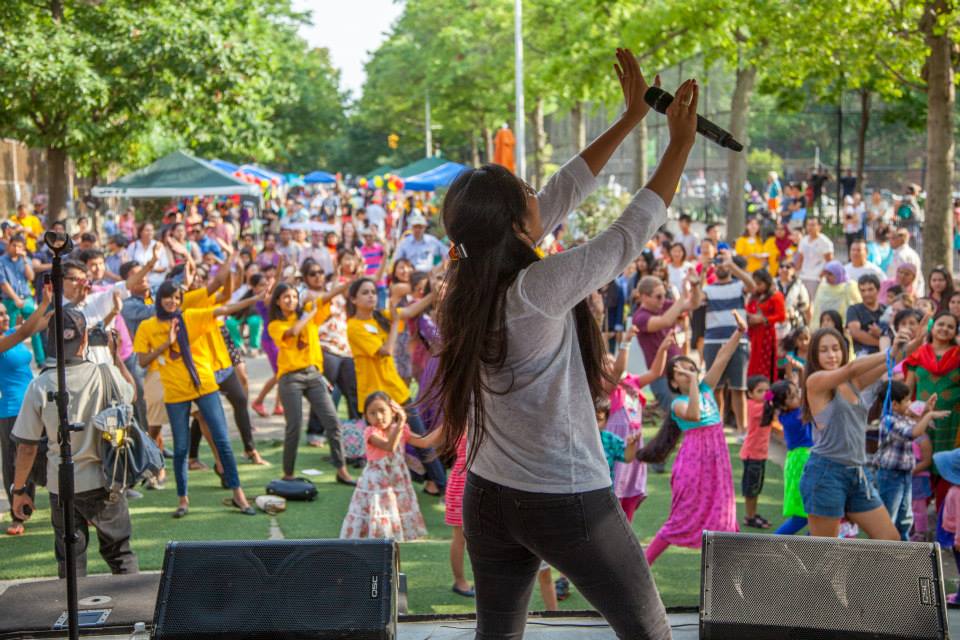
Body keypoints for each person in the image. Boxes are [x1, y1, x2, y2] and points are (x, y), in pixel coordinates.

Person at [428, 53, 693, 639]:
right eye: (526, 191)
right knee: (651, 634)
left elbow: (563, 190)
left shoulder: (471, 280)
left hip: (486, 494)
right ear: (517, 226)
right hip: (564, 499)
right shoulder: (535, 288)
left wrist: (630, 118)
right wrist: (679, 144)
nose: (538, 194)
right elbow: (627, 235)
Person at [11, 309, 139, 577]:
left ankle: (73, 618)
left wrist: (19, 489)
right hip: (106, 479)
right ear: (84, 342)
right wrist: (116, 357)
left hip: (63, 484)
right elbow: (132, 394)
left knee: (71, 562)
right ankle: (135, 617)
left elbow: (27, 446)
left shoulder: (40, 384)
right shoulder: (106, 374)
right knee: (120, 554)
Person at [133, 281, 258, 518]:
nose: (173, 302)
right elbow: (141, 361)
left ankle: (238, 494)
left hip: (205, 386)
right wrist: (166, 344)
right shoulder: (148, 326)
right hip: (176, 392)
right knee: (181, 448)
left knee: (222, 441)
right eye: (168, 297)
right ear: (159, 299)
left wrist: (255, 299)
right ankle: (183, 500)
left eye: (178, 298)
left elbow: (224, 310)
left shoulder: (190, 317)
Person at [798, 320, 926, 539]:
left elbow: (893, 360)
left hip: (857, 472)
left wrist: (911, 341)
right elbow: (852, 367)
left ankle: (862, 575)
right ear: (814, 356)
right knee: (824, 553)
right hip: (826, 473)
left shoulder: (853, 383)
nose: (831, 355)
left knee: (890, 539)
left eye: (836, 348)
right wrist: (888, 350)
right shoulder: (815, 381)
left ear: (843, 350)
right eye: (824, 350)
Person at [642, 311, 746, 564]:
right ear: (674, 383)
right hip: (694, 468)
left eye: (690, 368)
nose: (688, 373)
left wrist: (739, 332)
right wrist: (693, 383)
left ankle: (727, 582)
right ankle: (642, 569)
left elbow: (722, 358)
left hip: (717, 466)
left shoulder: (705, 389)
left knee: (725, 521)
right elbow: (695, 414)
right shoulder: (678, 403)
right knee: (680, 521)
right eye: (681, 373)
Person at [346, 277, 445, 496]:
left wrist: (433, 293)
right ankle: (384, 492)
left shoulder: (380, 316)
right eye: (365, 292)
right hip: (375, 400)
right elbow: (386, 350)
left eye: (373, 291)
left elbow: (409, 313)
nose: (371, 295)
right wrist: (393, 324)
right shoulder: (354, 327)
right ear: (353, 299)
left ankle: (441, 485)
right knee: (381, 450)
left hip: (397, 391)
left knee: (421, 440)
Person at [267, 282, 356, 485]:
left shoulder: (309, 312)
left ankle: (341, 470)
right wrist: (308, 315)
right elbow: (294, 332)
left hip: (313, 375)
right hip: (291, 379)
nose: (291, 301)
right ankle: (288, 474)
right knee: (294, 426)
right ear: (278, 302)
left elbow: (327, 295)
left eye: (294, 296)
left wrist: (347, 282)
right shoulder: (275, 325)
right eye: (286, 297)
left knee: (333, 422)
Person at [339, 392, 430, 541]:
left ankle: (388, 550)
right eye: (372, 413)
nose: (379, 417)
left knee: (393, 516)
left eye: (382, 411)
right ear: (366, 417)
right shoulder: (370, 432)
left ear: (393, 412)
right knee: (378, 515)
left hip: (397, 481)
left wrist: (448, 427)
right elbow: (390, 447)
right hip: (376, 484)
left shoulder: (401, 429)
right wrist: (401, 423)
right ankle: (376, 549)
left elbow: (425, 442)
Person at [0, 286, 52, 535]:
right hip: (9, 410)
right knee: (13, 463)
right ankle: (17, 515)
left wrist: (56, 308)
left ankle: (29, 506)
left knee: (38, 455)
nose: (4, 317)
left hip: (33, 405)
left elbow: (35, 327)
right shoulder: (4, 341)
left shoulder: (11, 331)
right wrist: (42, 303)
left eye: (4, 313)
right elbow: (24, 333)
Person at [873, 382, 946, 540]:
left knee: (905, 517)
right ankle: (883, 552)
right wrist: (929, 415)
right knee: (888, 517)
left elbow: (916, 423)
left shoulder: (902, 417)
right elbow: (915, 432)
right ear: (894, 404)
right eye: (906, 400)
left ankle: (903, 548)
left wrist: (927, 408)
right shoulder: (889, 421)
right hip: (890, 476)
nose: (910, 403)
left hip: (905, 475)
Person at [904, 311, 960, 508]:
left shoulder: (959, 354)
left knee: (949, 465)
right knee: (921, 464)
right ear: (932, 327)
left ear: (955, 331)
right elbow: (908, 388)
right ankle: (918, 517)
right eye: (941, 324)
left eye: (950, 326)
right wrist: (905, 412)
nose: (944, 329)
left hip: (954, 422)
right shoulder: (918, 353)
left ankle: (946, 516)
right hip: (921, 418)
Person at [702, 250, 755, 437]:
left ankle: (743, 430)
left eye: (723, 261)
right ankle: (717, 427)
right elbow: (694, 301)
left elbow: (753, 286)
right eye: (719, 262)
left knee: (738, 388)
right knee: (714, 388)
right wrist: (702, 270)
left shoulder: (740, 284)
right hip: (713, 341)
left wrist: (731, 264)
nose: (721, 265)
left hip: (738, 340)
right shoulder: (707, 288)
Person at [764, 379, 811, 535]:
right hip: (802, 462)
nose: (798, 397)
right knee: (805, 515)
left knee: (808, 515)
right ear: (783, 405)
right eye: (793, 396)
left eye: (797, 393)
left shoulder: (787, 414)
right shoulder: (798, 415)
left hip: (797, 460)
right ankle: (773, 544)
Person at [0, 234, 43, 363]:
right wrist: (16, 299)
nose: (17, 249)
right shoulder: (1, 261)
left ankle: (41, 360)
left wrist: (24, 260)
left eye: (20, 246)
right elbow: (3, 283)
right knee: (10, 331)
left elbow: (31, 277)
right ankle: (8, 359)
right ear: (9, 245)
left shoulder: (26, 260)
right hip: (9, 299)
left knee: (34, 327)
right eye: (14, 245)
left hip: (27, 298)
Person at [741, 375, 772, 528]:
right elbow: (771, 406)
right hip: (752, 455)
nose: (765, 394)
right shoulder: (754, 406)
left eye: (767, 391)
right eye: (760, 391)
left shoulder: (765, 404)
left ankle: (753, 514)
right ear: (750, 394)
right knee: (751, 489)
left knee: (756, 487)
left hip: (760, 454)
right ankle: (749, 517)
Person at [746, 269, 785, 382]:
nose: (756, 287)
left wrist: (763, 319)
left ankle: (768, 397)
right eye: (754, 283)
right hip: (753, 336)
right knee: (753, 366)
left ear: (767, 283)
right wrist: (750, 318)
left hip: (767, 337)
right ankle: (753, 396)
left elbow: (781, 316)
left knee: (767, 367)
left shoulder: (776, 296)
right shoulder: (754, 296)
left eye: (759, 284)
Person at [810, 261, 862, 331]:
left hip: (843, 328)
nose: (827, 277)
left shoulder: (849, 287)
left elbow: (856, 306)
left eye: (830, 274)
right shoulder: (823, 286)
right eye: (826, 274)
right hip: (822, 327)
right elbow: (817, 308)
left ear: (838, 274)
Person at [795, 217, 834, 299]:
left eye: (813, 225)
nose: (810, 228)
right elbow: (800, 258)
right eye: (808, 225)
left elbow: (830, 262)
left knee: (813, 302)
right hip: (803, 276)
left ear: (819, 227)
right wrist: (796, 273)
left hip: (816, 278)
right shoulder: (803, 240)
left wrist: (821, 275)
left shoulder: (825, 242)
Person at [127, 223, 170, 288]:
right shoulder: (133, 246)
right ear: (140, 232)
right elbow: (129, 266)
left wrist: (149, 268)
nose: (150, 233)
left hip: (157, 282)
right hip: (139, 284)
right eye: (147, 230)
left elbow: (164, 267)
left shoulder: (159, 246)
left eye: (152, 230)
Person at [776, 260, 810, 332]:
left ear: (793, 270)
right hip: (776, 321)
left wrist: (794, 312)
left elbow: (805, 304)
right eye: (781, 267)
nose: (784, 269)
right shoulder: (773, 284)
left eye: (788, 267)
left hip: (794, 321)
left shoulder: (799, 285)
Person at [887, 228, 923, 293]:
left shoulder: (902, 256)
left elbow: (905, 278)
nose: (889, 241)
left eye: (892, 238)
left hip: (903, 293)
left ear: (900, 239)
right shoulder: (912, 253)